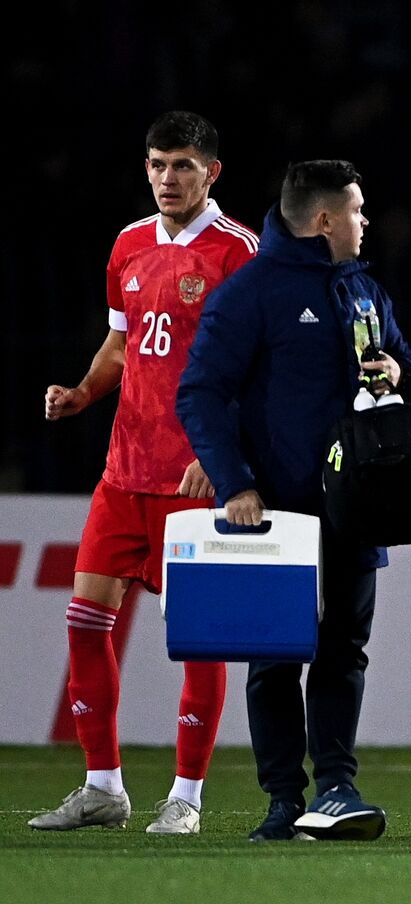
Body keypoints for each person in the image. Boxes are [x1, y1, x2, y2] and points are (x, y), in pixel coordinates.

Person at [176, 160, 411, 842]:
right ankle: (283, 801)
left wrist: (401, 371)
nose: (365, 221)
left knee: (344, 649)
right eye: (357, 211)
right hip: (277, 511)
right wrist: (236, 484)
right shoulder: (250, 294)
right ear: (323, 221)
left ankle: (336, 788)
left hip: (356, 506)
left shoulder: (365, 292)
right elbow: (198, 392)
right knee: (276, 657)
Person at [31, 112, 256, 836]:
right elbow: (121, 344)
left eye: (183, 165)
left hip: (193, 482)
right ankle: (103, 787)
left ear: (212, 172)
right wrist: (82, 392)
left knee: (198, 639)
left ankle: (186, 797)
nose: (167, 178)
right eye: (158, 165)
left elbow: (263, 368)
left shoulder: (238, 253)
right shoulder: (129, 243)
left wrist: (217, 453)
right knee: (84, 623)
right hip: (123, 475)